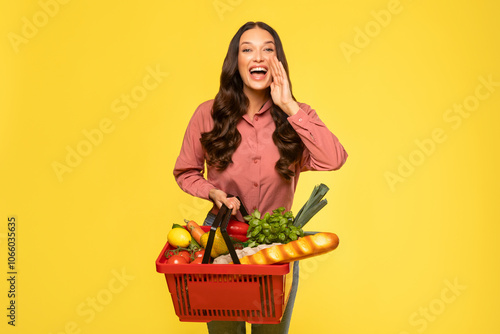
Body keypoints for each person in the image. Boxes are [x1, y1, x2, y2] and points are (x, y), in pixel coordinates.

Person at [173, 21, 347, 334]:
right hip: (222, 241)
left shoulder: (298, 115)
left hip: (276, 243)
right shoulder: (207, 113)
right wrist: (211, 191)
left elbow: (334, 159)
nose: (258, 56)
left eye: (268, 49)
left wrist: (289, 106)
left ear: (277, 63)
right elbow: (186, 171)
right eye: (247, 49)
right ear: (235, 62)